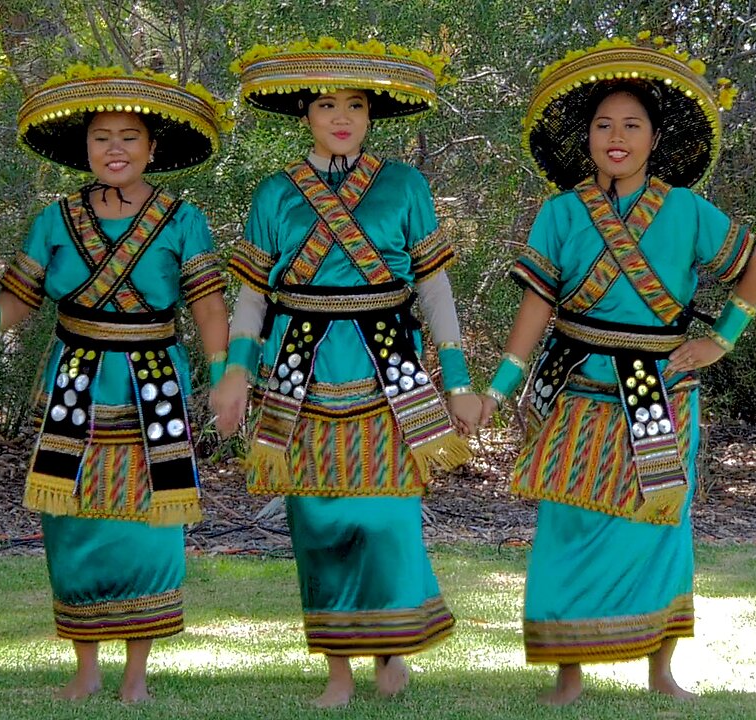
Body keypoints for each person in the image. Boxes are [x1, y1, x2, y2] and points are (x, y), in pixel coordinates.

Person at [478, 34, 756, 705]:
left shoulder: (688, 211)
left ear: (654, 137)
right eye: (604, 125)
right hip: (575, 384)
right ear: (586, 137)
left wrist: (720, 342)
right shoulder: (559, 213)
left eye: (632, 126)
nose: (617, 138)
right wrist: (499, 386)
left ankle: (662, 671)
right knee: (567, 523)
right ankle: (568, 674)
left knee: (659, 523)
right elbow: (535, 307)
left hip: (662, 389)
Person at [0, 65, 231, 703]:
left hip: (152, 383)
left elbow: (209, 307)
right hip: (73, 383)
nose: (115, 149)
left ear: (153, 149)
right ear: (85, 149)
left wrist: (225, 375)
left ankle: (137, 676)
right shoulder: (55, 219)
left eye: (129, 138)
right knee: (70, 521)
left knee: (148, 523)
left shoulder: (183, 220)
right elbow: (19, 300)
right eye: (102, 137)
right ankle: (85, 670)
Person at [215, 38, 482, 708]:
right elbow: (251, 297)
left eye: (356, 106)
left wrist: (457, 381)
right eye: (327, 104)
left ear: (372, 116)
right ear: (305, 113)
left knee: (388, 517)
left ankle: (392, 652)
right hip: (299, 372)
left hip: (387, 369)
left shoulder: (405, 185)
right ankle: (337, 670)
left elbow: (436, 290)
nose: (341, 117)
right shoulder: (274, 194)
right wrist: (235, 374)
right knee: (319, 522)